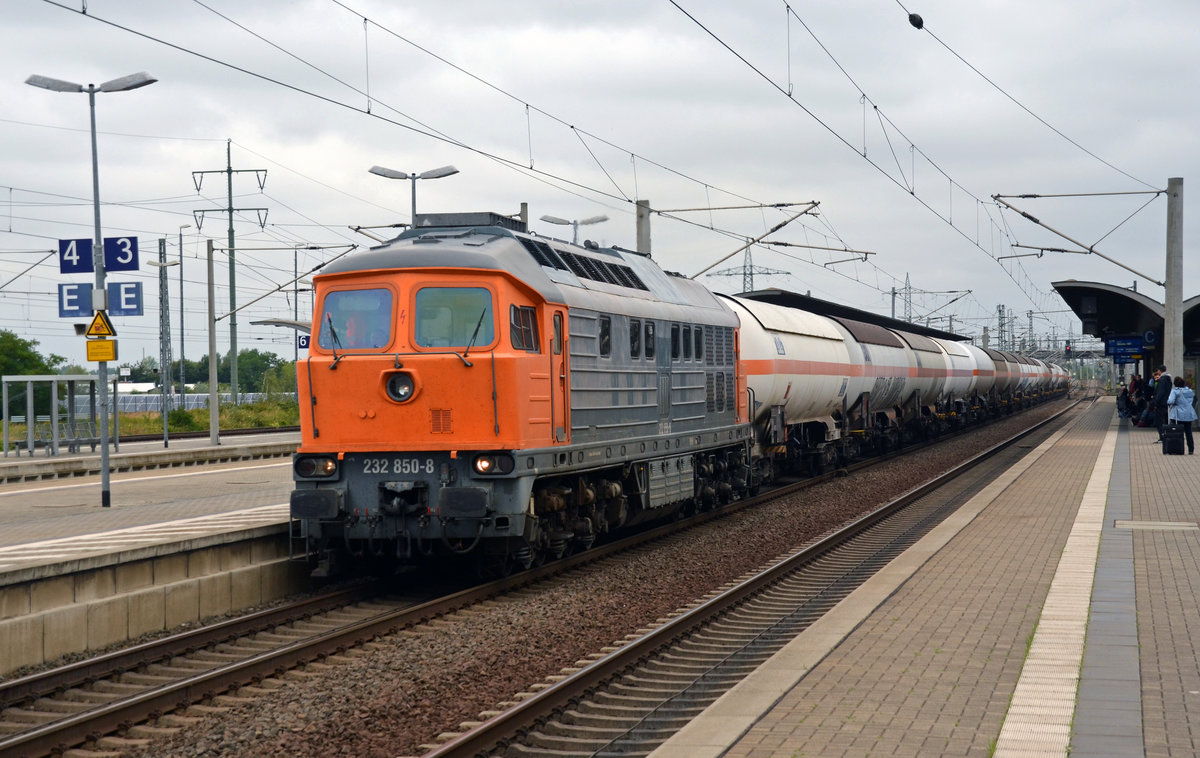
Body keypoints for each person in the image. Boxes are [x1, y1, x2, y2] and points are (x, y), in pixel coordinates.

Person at [1167, 376, 1197, 454]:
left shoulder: (1175, 391)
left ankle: (1178, 448)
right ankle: (1191, 449)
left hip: (1177, 414)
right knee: (1188, 432)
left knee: (1177, 432)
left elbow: (1170, 401)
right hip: (1188, 413)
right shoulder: (1189, 391)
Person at [1154, 365, 1172, 441]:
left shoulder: (1162, 380)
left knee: (1159, 421)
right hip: (1166, 403)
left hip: (1160, 404)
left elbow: (1160, 393)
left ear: (1159, 371)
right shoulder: (1169, 379)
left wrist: (1156, 402)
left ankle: (1162, 437)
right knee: (1164, 420)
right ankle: (1165, 436)